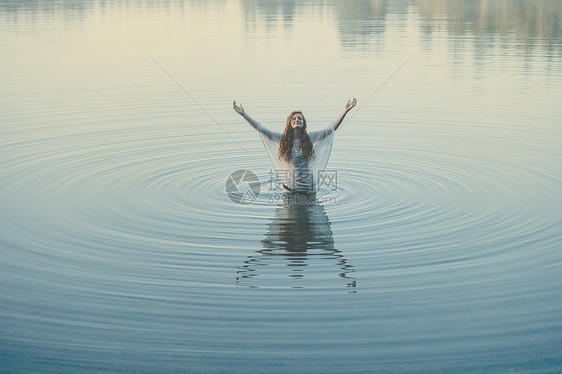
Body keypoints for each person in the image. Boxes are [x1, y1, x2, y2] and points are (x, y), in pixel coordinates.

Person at [233, 99, 357, 193]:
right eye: (294, 119)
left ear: (303, 124)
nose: (297, 120)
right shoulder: (282, 139)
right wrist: (243, 114)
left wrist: (345, 110)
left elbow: (331, 128)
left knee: (308, 226)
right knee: (288, 226)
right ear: (290, 123)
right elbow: (261, 129)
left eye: (300, 119)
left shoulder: (310, 137)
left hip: (309, 188)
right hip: (289, 188)